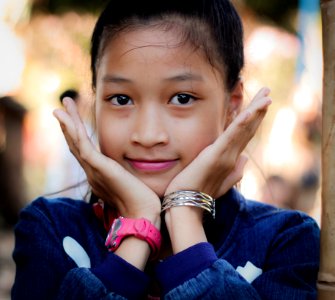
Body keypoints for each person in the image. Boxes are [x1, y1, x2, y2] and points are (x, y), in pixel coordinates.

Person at [11, 0, 320, 299]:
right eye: (121, 99)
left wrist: (185, 215)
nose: (148, 135)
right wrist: (138, 226)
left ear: (232, 106)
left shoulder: (284, 241)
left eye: (182, 98)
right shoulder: (49, 229)